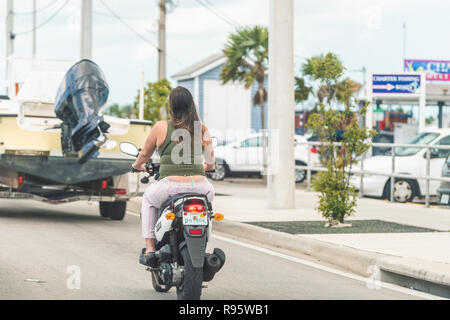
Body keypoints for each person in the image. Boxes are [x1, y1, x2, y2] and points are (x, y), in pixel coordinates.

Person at [132, 86, 215, 263]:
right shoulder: (202, 129)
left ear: (171, 106)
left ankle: (150, 247)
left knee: (148, 199)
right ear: (191, 106)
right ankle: (203, 241)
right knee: (207, 209)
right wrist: (203, 168)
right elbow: (211, 163)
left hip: (170, 186)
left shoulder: (161, 127)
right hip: (201, 187)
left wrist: (137, 165)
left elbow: (145, 154)